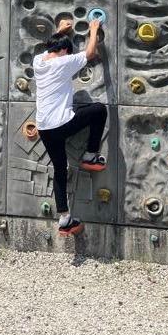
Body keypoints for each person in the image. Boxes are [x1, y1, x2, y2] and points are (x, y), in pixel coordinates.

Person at [33, 17, 108, 237]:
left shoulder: (39, 61)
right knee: (99, 110)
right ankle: (91, 155)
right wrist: (93, 30)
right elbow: (90, 53)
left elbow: (52, 46)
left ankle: (65, 219)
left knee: (59, 169)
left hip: (44, 127)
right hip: (61, 124)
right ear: (65, 51)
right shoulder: (64, 62)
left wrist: (60, 32)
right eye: (67, 49)